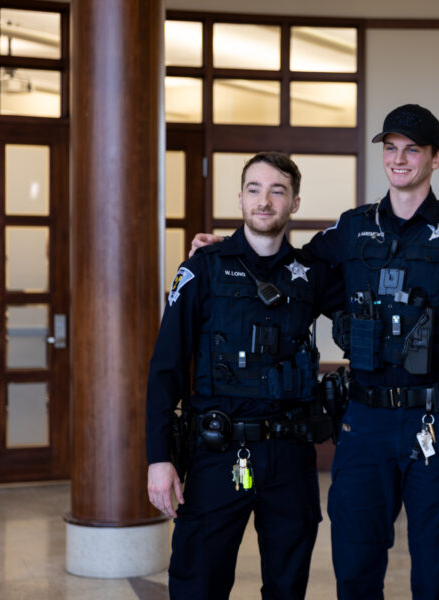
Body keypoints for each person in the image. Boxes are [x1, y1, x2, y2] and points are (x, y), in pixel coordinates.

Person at [190, 104, 439, 599]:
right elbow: (289, 270)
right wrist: (227, 250)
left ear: (437, 158)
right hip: (363, 421)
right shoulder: (352, 228)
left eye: (413, 150)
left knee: (434, 568)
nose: (400, 160)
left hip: (436, 420)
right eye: (391, 149)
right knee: (356, 563)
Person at [146, 152, 342, 599]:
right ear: (239, 198)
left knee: (287, 586)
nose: (264, 200)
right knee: (198, 584)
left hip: (290, 456)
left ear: (294, 202)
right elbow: (165, 368)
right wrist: (159, 458)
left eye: (278, 190)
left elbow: (364, 303)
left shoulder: (310, 276)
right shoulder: (202, 269)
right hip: (219, 453)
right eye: (254, 189)